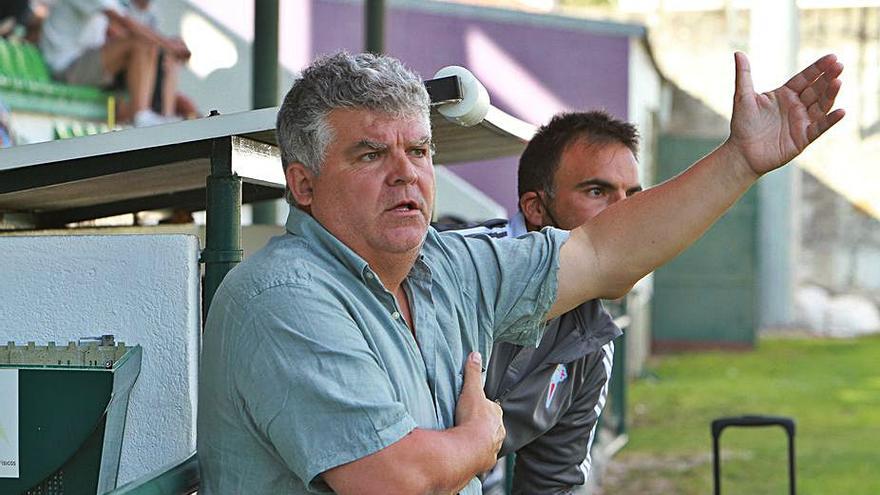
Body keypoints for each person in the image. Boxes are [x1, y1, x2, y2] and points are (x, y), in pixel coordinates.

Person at [197, 51, 843, 494]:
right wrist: (481, 442)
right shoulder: (282, 295)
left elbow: (601, 253)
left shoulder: (444, 266)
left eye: (418, 150)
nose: (406, 172)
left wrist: (739, 163)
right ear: (303, 185)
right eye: (371, 152)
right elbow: (394, 480)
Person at [451, 111, 641, 495]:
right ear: (536, 208)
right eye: (597, 192)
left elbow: (552, 485)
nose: (627, 214)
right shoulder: (453, 275)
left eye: (633, 197)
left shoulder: (591, 341)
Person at [38, 0, 190, 127]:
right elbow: (126, 24)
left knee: (157, 50)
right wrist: (169, 45)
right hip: (67, 68)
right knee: (141, 43)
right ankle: (141, 116)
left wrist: (168, 47)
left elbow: (126, 29)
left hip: (83, 65)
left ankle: (164, 116)